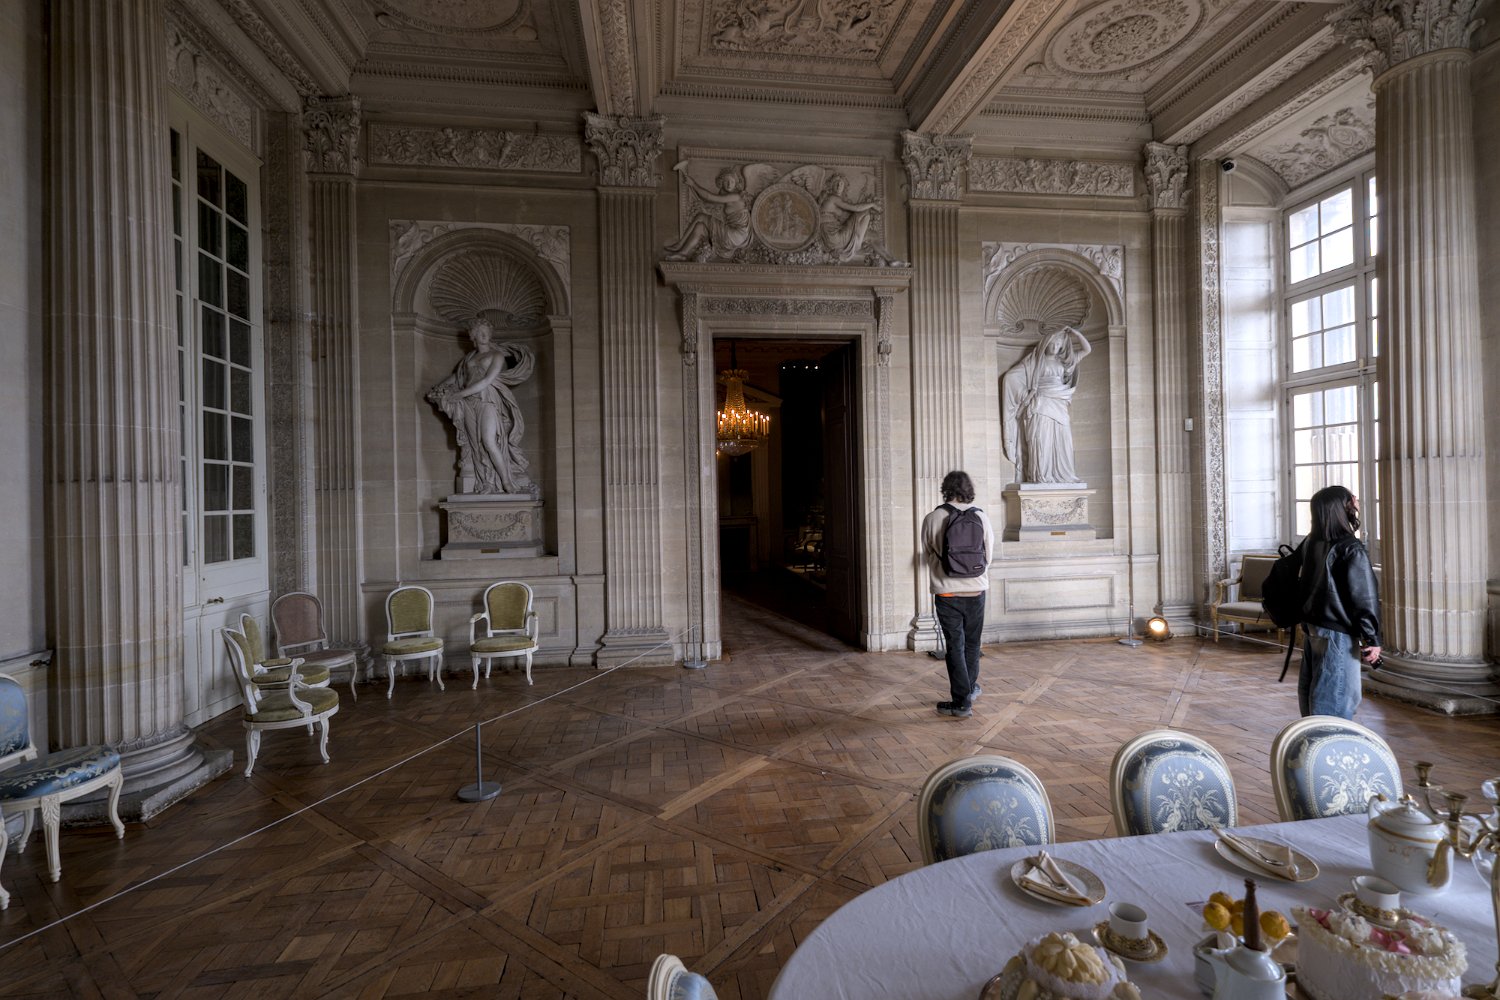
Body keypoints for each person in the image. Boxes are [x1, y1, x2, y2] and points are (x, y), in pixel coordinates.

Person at [427, 317, 537, 496]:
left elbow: (487, 380)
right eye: (480, 332)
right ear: (474, 335)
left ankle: (507, 482)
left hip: (487, 400)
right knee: (475, 444)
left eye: (486, 332)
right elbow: (459, 377)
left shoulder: (496, 355)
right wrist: (440, 388)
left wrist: (460, 394)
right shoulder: (469, 357)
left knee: (488, 441)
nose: (485, 335)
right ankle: (485, 483)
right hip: (469, 404)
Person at [1297, 485, 1381, 718]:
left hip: (1314, 627)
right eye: (1351, 498)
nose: (1356, 500)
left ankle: (1312, 748)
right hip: (1337, 632)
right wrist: (1372, 638)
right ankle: (1327, 751)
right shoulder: (1350, 548)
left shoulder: (1311, 543)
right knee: (1336, 702)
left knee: (1315, 694)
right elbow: (1363, 597)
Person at [921, 471, 995, 718]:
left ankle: (962, 702)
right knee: (973, 643)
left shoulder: (934, 517)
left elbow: (929, 550)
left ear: (945, 489)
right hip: (976, 590)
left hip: (947, 592)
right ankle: (970, 689)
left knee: (955, 645)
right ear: (968, 489)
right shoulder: (981, 517)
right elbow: (989, 556)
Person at [1000, 324, 1092, 483]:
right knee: (1042, 440)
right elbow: (1011, 377)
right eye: (1053, 343)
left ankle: (1063, 475)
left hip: (1059, 404)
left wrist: (1075, 334)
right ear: (1046, 343)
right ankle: (1041, 475)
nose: (1056, 347)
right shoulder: (1035, 362)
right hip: (1041, 404)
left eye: (1059, 344)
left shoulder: (1064, 363)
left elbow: (1087, 350)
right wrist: (1026, 395)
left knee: (1062, 441)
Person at [663, 162, 752, 261]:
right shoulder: (729, 197)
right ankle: (683, 253)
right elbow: (709, 202)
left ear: (736, 183)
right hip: (736, 235)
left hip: (735, 234)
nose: (729, 184)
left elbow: (709, 197)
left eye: (731, 181)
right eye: (726, 181)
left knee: (701, 216)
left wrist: (693, 184)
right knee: (700, 227)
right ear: (721, 183)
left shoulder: (735, 196)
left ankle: (679, 244)